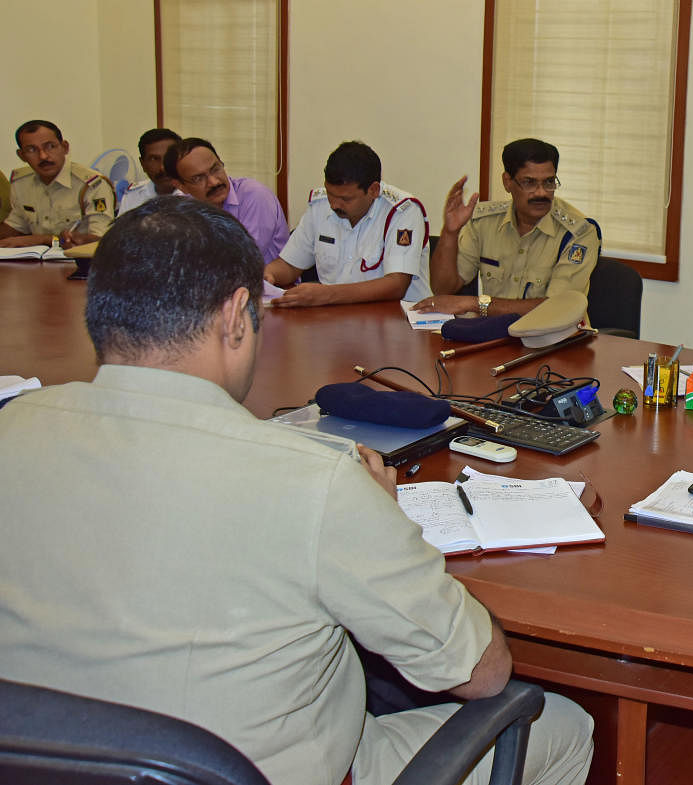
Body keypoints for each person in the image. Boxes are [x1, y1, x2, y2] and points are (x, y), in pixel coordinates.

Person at [0, 197, 593, 785]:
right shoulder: (315, 482)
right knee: (561, 724)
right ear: (237, 316)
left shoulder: (13, 429)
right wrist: (383, 524)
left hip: (49, 761)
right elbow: (481, 671)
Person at [413, 138, 599, 318]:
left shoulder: (579, 232)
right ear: (507, 182)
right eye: (529, 182)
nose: (541, 192)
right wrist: (450, 232)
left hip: (554, 339)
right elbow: (443, 289)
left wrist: (475, 304)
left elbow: (557, 309)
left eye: (549, 182)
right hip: (496, 335)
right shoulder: (484, 221)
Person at [264, 141, 432, 306]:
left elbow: (396, 285)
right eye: (331, 194)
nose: (334, 205)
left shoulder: (403, 212)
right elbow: (290, 265)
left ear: (373, 190)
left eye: (346, 199)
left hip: (399, 322)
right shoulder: (320, 206)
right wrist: (268, 275)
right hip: (337, 318)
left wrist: (327, 294)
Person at [164, 137, 289, 261]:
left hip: (267, 280)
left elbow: (244, 259)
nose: (213, 182)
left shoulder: (254, 195)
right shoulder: (183, 208)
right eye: (198, 178)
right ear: (181, 186)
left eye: (215, 169)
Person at [0, 120, 115, 249]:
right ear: (22, 156)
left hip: (80, 262)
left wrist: (41, 240)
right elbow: (16, 225)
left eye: (50, 146)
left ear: (65, 147)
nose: (43, 156)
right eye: (31, 150)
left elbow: (101, 239)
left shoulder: (92, 185)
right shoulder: (21, 182)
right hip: (36, 261)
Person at [118, 128, 183, 214]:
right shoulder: (132, 197)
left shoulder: (196, 194)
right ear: (143, 164)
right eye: (154, 159)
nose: (162, 167)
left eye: (169, 157)